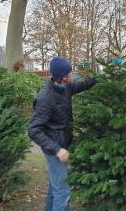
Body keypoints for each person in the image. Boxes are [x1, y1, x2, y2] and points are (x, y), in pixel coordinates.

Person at [28, 57, 97, 211]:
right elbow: (33, 130)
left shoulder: (65, 88)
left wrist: (101, 77)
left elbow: (83, 85)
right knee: (63, 192)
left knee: (55, 187)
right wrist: (57, 150)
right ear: (63, 76)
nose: (73, 74)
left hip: (62, 145)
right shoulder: (46, 98)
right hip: (54, 150)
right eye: (70, 72)